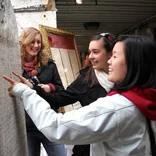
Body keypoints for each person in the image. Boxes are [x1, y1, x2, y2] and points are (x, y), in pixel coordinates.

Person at [3, 35, 156, 156]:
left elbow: (56, 126)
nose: (110, 62)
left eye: (114, 56)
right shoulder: (146, 99)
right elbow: (62, 97)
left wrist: (26, 92)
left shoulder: (117, 108)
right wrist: (37, 89)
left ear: (133, 63)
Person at [27, 32, 115, 156]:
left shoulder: (123, 79)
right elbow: (60, 98)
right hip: (88, 147)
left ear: (110, 53)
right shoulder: (85, 79)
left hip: (115, 145)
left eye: (95, 52)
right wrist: (34, 89)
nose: (90, 57)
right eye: (89, 52)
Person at [19, 27, 66, 156]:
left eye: (38, 42)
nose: (36, 46)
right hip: (27, 126)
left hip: (49, 122)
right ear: (24, 43)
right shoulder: (15, 65)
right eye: (32, 42)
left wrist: (51, 87)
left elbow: (61, 90)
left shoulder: (49, 65)